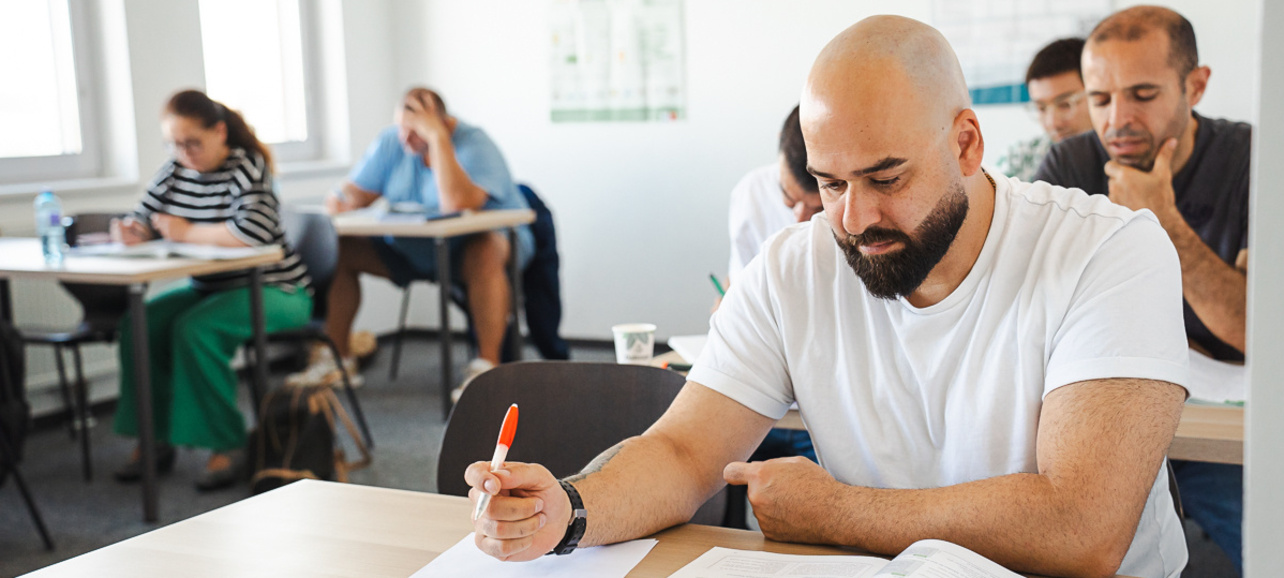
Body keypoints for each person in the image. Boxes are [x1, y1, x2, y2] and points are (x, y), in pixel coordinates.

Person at [467, 15, 1191, 578]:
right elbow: (685, 451)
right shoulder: (794, 267)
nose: (852, 219)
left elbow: (1084, 530)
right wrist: (570, 509)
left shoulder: (1108, 249)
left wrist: (841, 512)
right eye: (830, 182)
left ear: (966, 144)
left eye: (886, 179)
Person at [1032, 6, 1249, 574]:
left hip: (1224, 428)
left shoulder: (1251, 161)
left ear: (1195, 85)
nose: (1118, 121)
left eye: (1144, 95)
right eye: (1101, 100)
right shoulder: (1067, 163)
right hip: (1097, 416)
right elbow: (1035, 311)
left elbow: (1251, 331)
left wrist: (1165, 223)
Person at [111, 89, 312, 491]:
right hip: (210, 289)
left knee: (195, 330)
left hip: (277, 290)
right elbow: (144, 217)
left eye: (193, 143)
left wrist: (186, 231)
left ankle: (227, 442)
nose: (185, 152)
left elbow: (252, 232)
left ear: (219, 132)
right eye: (175, 144)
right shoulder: (175, 170)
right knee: (141, 324)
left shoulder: (247, 166)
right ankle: (154, 437)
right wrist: (132, 230)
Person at [287, 87, 534, 398]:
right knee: (342, 249)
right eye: (402, 127)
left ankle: (486, 368)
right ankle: (339, 359)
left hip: (476, 249)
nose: (405, 139)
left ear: (442, 123)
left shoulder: (474, 144)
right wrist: (345, 198)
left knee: (485, 250)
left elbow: (456, 202)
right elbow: (358, 191)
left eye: (415, 130)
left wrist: (437, 140)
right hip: (414, 248)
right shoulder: (394, 141)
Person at [728, 105, 824, 284]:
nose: (800, 220)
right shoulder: (751, 193)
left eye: (818, 209)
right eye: (789, 198)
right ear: (780, 143)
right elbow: (740, 280)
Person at [996, 38, 1094, 181]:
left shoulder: (1126, 154)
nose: (1053, 123)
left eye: (1065, 104)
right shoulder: (1018, 160)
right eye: (1041, 108)